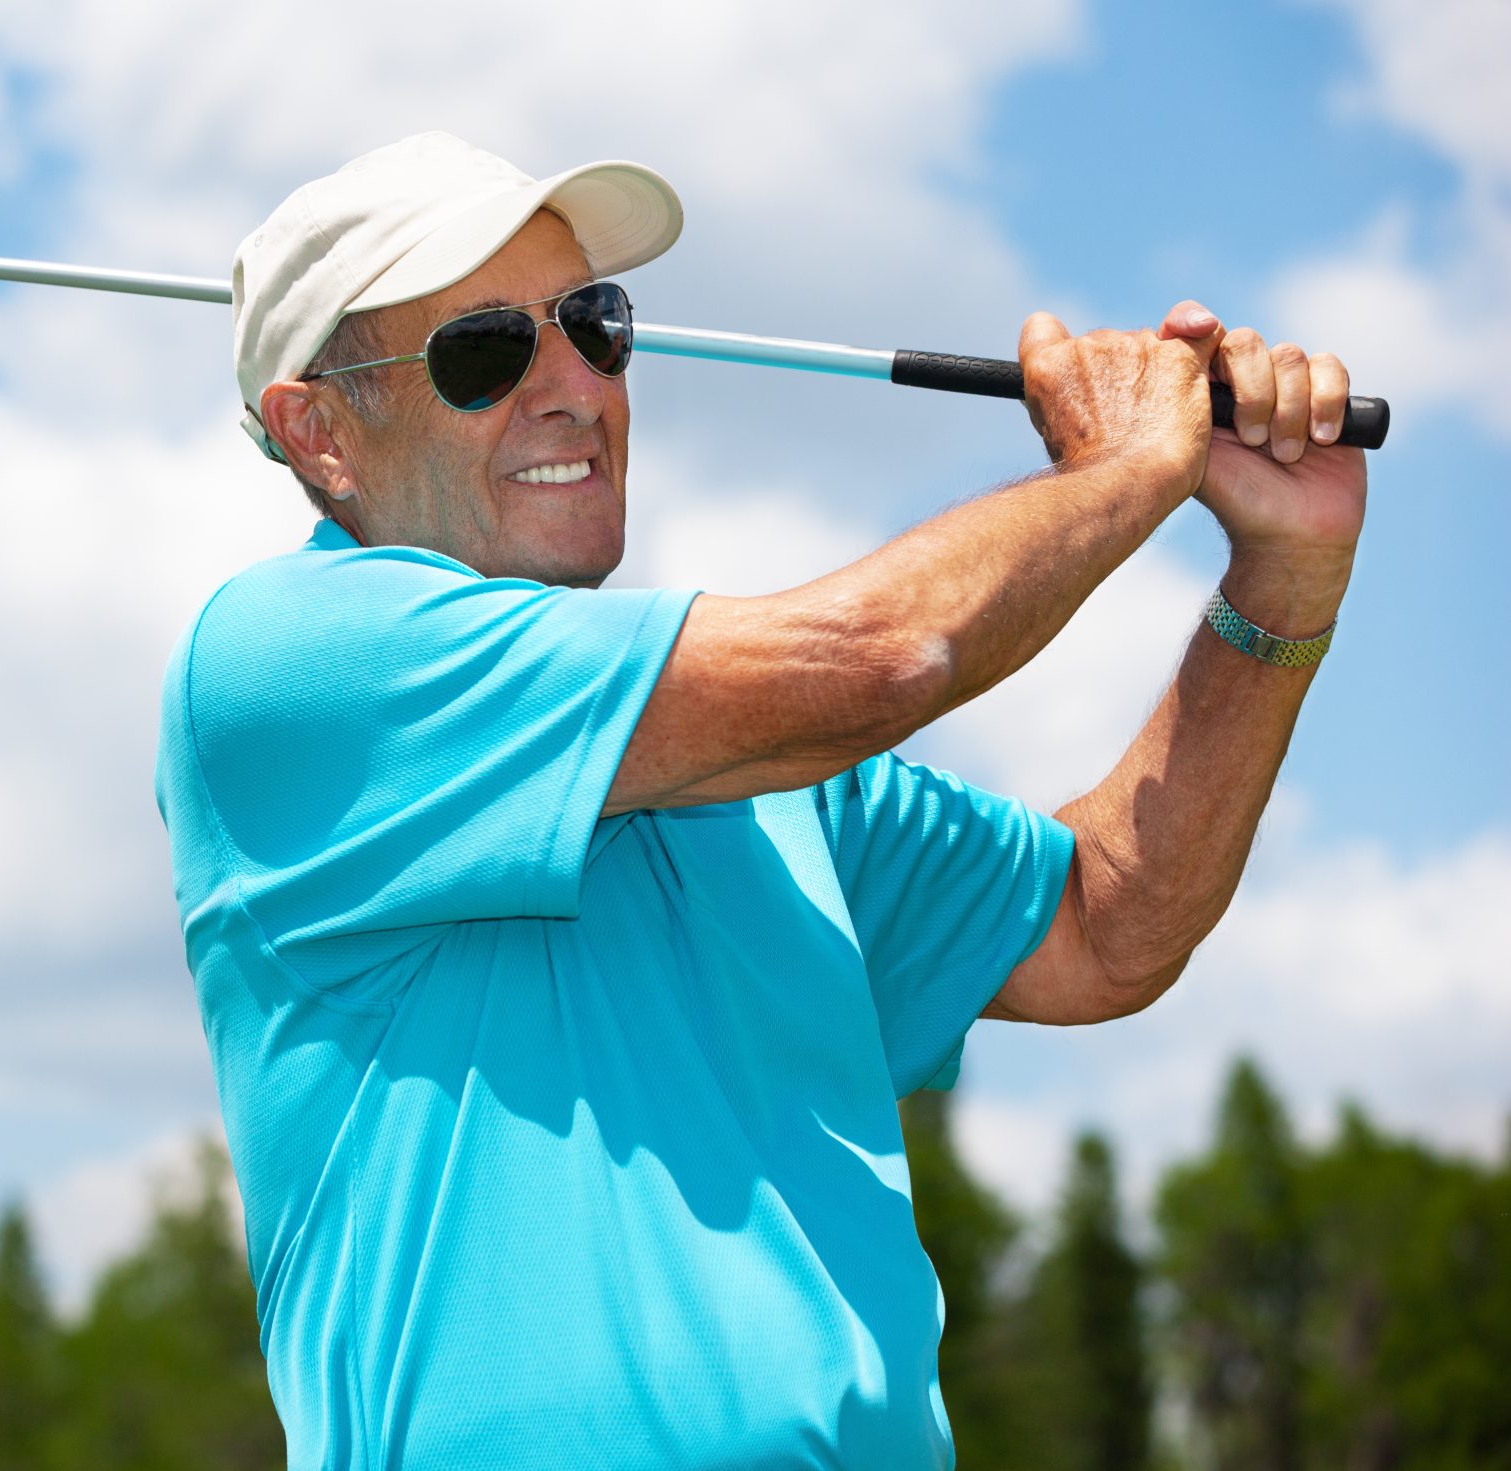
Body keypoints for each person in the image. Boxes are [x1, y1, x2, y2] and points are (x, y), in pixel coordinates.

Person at [152, 132, 1365, 1467]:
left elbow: (1107, 923)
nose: (573, 387)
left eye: (595, 326)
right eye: (488, 350)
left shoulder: (766, 772)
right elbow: (888, 655)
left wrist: (1283, 582)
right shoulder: (284, 665)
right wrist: (1131, 467)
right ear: (318, 432)